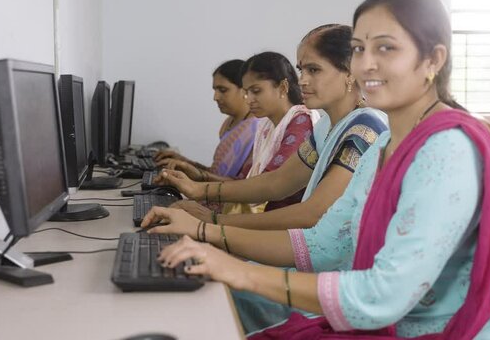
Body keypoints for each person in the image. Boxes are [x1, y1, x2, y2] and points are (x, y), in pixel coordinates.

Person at [144, 0, 490, 339]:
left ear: (433, 60)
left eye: (386, 48)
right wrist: (207, 236)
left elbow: (383, 294)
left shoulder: (446, 149)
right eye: (360, 49)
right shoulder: (382, 145)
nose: (365, 65)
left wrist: (234, 264)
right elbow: (323, 242)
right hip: (384, 316)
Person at [157, 25, 387, 230]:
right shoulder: (326, 126)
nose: (302, 80)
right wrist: (199, 190)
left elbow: (312, 214)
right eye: (301, 70)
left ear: (350, 72)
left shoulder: (365, 128)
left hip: (340, 269)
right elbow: (276, 183)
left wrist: (215, 221)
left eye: (313, 70)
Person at [158, 51, 319, 214]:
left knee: (179, 213)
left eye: (256, 91)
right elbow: (245, 181)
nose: (248, 99)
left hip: (277, 224)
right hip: (258, 214)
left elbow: (268, 185)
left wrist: (199, 188)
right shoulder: (266, 128)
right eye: (247, 92)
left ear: (283, 87)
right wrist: (198, 176)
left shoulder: (301, 123)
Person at [154, 60, 259, 182]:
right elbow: (216, 172)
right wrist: (183, 162)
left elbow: (245, 185)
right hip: (215, 194)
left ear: (244, 90)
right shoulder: (228, 123)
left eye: (223, 90)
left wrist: (195, 174)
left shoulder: (257, 130)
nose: (215, 97)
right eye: (215, 90)